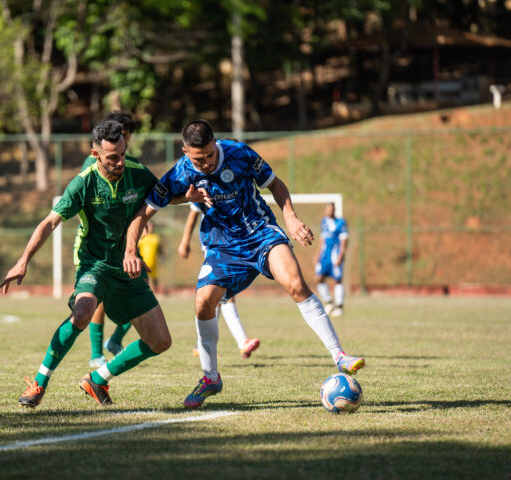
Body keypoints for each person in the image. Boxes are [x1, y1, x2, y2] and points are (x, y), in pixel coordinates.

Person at [124, 119, 365, 409]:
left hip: (260, 233)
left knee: (296, 283)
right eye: (199, 158)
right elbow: (143, 213)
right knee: (203, 302)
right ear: (186, 151)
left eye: (211, 154)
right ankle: (210, 377)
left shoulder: (240, 154)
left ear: (216, 144)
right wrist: (130, 249)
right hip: (222, 246)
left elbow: (275, 184)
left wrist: (290, 218)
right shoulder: (180, 172)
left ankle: (339, 355)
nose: (207, 162)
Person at [0, 119, 171, 408]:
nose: (120, 162)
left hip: (127, 267)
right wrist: (22, 260)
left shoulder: (138, 173)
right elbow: (49, 222)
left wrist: (187, 195)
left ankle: (99, 378)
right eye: (112, 157)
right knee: (82, 313)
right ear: (96, 155)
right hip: (94, 264)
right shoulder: (84, 182)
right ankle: (39, 384)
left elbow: (163, 196)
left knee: (161, 341)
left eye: (123, 153)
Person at [83, 110, 136, 367]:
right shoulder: (91, 167)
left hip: (126, 246)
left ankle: (115, 341)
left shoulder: (131, 165)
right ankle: (96, 353)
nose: (122, 142)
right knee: (99, 298)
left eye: (125, 137)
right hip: (98, 249)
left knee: (139, 291)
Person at [178, 204, 260, 359]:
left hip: (233, 243)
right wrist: (185, 241)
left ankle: (201, 343)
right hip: (214, 246)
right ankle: (242, 341)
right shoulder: (204, 183)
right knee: (222, 293)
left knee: (218, 297)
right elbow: (193, 214)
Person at [313, 202, 349, 317]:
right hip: (325, 255)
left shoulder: (341, 223)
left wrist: (341, 255)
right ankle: (329, 302)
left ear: (334, 210)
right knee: (319, 278)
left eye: (332, 209)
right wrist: (317, 255)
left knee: (337, 279)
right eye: (328, 209)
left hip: (335, 254)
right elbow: (322, 240)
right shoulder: (324, 222)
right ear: (325, 210)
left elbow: (344, 241)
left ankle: (339, 306)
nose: (330, 211)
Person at [138, 220, 162, 293]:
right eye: (148, 226)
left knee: (154, 278)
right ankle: (144, 292)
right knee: (143, 278)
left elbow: (160, 250)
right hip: (143, 262)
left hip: (153, 262)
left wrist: (162, 257)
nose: (150, 228)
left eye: (151, 226)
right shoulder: (141, 238)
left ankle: (156, 292)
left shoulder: (156, 238)